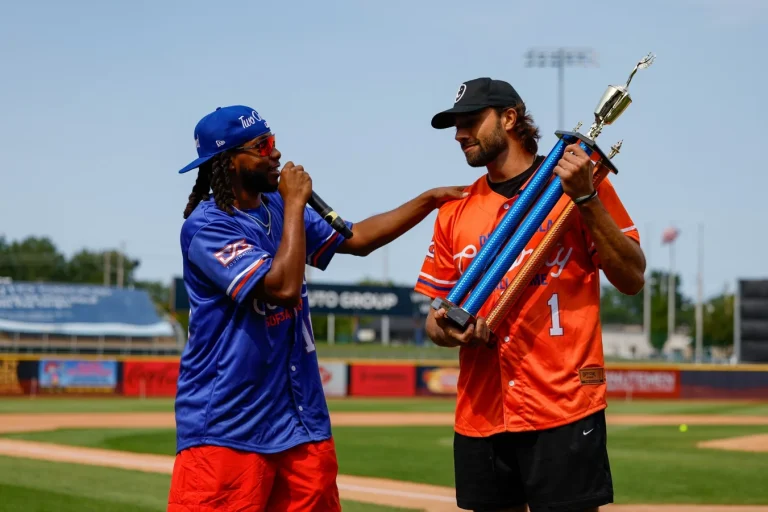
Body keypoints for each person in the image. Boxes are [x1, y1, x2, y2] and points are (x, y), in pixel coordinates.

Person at [168, 104, 466, 512]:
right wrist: (294, 204)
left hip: (300, 423)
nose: (275, 153)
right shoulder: (208, 226)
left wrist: (429, 200)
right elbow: (283, 288)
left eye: (273, 141)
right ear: (229, 162)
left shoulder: (275, 207)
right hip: (227, 428)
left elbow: (356, 238)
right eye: (262, 145)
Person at [414, 78, 646, 512]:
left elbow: (632, 277)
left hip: (563, 407)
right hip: (481, 415)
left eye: (470, 121)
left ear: (509, 118)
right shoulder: (454, 211)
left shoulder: (579, 182)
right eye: (456, 125)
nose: (460, 133)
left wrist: (586, 199)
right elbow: (433, 318)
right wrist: (450, 332)